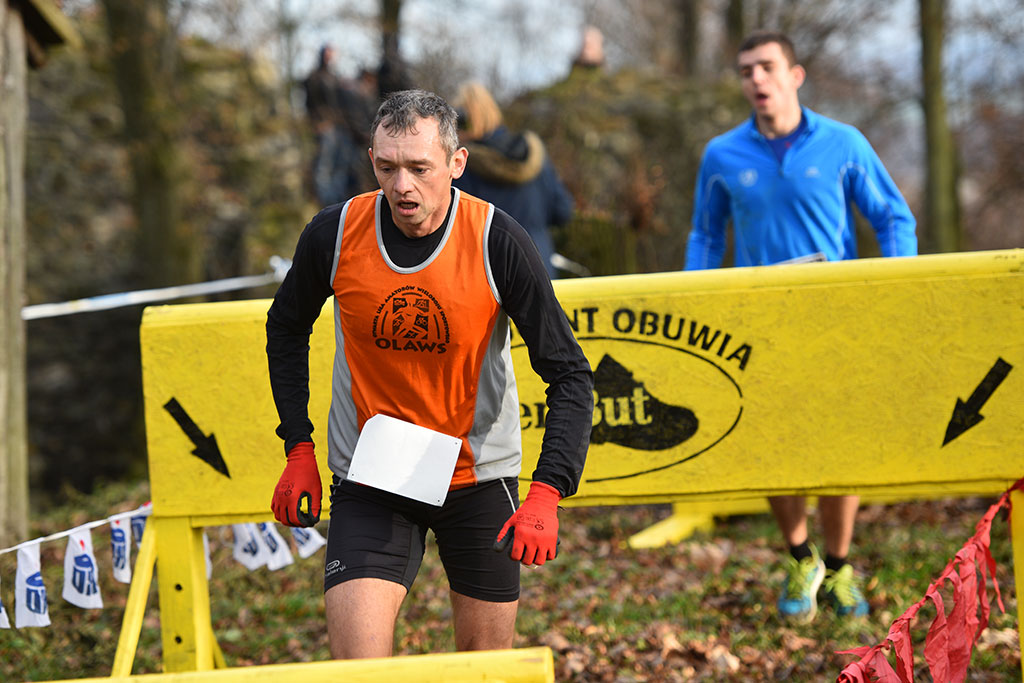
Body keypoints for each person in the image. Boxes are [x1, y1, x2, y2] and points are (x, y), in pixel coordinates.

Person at [266, 89, 594, 658]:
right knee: (358, 672)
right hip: (373, 477)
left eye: (420, 168)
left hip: (477, 478)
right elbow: (285, 329)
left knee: (484, 671)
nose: (403, 186)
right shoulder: (336, 233)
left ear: (456, 164)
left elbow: (569, 374)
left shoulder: (498, 240)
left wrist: (547, 492)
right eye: (388, 167)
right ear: (371, 159)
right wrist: (298, 448)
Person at [685, 31, 917, 624]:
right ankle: (799, 554)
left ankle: (839, 566)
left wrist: (899, 289)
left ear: (795, 75)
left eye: (766, 67)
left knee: (839, 446)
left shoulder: (844, 143)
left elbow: (892, 217)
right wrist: (695, 295)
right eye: (746, 71)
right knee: (774, 446)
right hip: (757, 324)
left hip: (833, 320)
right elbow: (707, 236)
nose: (756, 79)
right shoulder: (722, 154)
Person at [452, 82, 575, 279]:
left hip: (489, 279)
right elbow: (563, 211)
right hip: (540, 272)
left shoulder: (461, 166)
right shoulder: (534, 154)